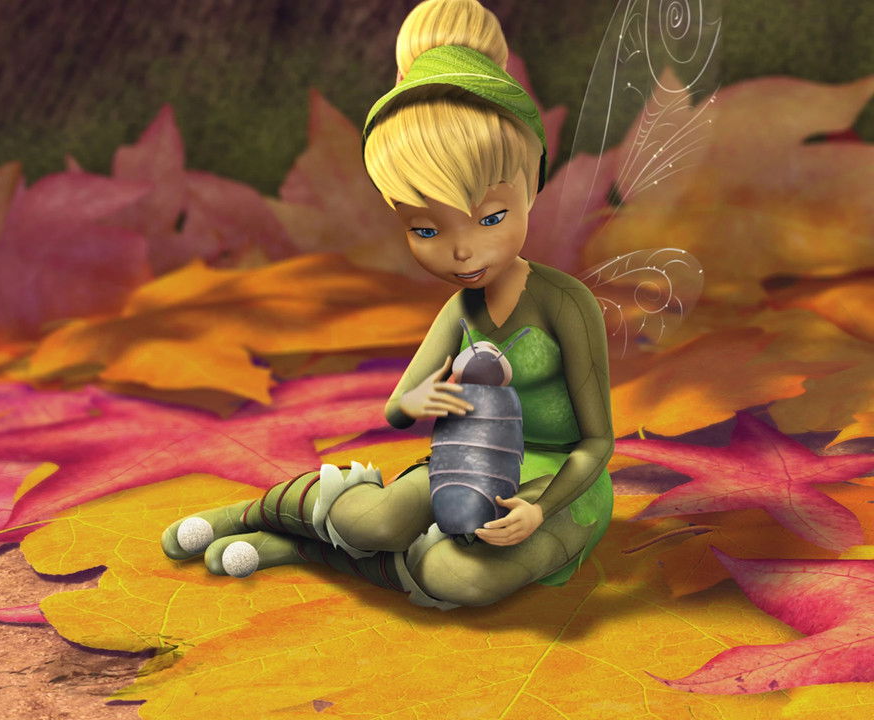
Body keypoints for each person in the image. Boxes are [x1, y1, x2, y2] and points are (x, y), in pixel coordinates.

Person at [160, 0, 614, 610]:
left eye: (491, 218)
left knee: (458, 576)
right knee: (376, 521)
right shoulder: (461, 310)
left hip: (559, 485)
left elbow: (596, 443)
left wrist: (539, 509)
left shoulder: (565, 304)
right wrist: (418, 401)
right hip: (464, 463)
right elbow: (399, 407)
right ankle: (253, 513)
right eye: (426, 230)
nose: (462, 251)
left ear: (532, 182)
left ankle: (302, 548)